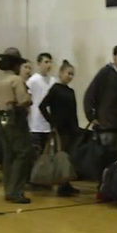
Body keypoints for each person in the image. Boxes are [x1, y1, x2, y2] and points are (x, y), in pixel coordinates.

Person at [0, 47, 33, 204]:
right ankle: (16, 191)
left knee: (8, 154)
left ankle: (8, 188)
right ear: (16, 65)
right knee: (22, 153)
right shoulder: (16, 80)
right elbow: (23, 100)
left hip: (0, 118)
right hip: (15, 119)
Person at [37, 60, 80, 197]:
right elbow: (42, 106)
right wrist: (52, 122)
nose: (70, 77)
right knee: (61, 155)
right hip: (59, 128)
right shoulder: (55, 89)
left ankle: (66, 183)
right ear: (61, 73)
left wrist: (76, 128)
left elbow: (73, 111)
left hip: (70, 129)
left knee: (68, 156)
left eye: (72, 74)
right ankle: (61, 183)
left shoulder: (71, 91)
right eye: (68, 73)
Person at [83, 45, 117, 162]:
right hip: (105, 123)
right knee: (104, 156)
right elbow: (90, 94)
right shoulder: (105, 73)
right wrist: (91, 116)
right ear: (114, 57)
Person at [28, 52, 56, 169]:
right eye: (45, 62)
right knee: (36, 151)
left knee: (46, 153)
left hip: (48, 123)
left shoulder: (53, 81)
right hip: (35, 123)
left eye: (50, 62)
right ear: (39, 64)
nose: (48, 65)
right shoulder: (33, 81)